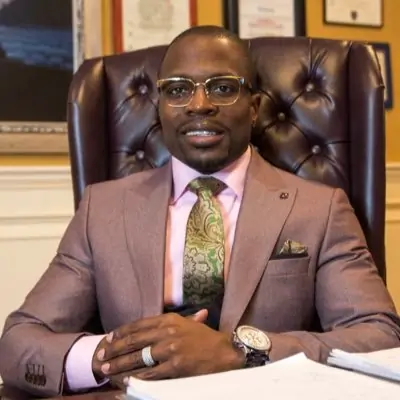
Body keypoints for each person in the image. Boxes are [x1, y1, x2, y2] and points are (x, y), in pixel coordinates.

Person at [1, 25, 400, 397]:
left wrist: (242, 351)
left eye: (222, 88)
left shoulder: (320, 209)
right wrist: (113, 357)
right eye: (177, 90)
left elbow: (379, 336)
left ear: (254, 107)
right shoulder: (102, 209)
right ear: (160, 108)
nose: (199, 105)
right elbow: (18, 342)